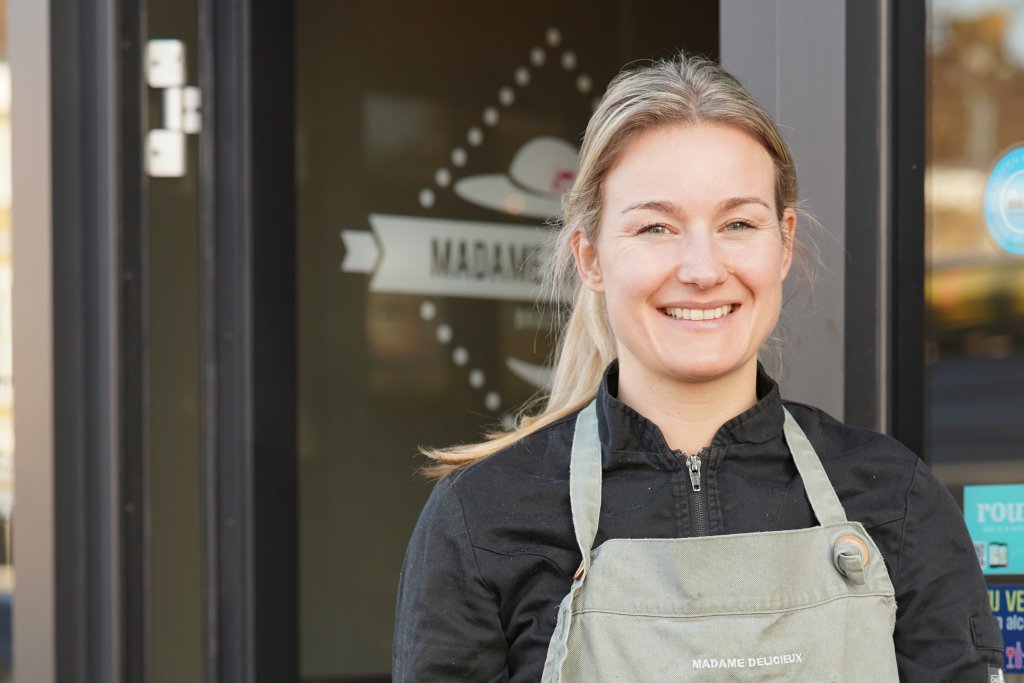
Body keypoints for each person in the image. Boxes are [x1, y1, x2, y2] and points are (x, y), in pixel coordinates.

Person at [393, 52, 1003, 681]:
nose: (703, 269)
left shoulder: (896, 500)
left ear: (784, 242)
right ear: (591, 258)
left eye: (738, 222)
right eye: (656, 228)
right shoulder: (483, 518)